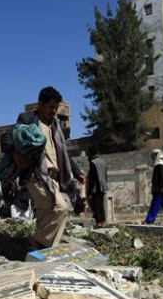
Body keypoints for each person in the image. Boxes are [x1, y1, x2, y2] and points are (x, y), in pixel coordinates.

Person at [12, 87, 83, 249]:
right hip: (35, 174)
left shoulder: (55, 126)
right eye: (51, 107)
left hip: (53, 177)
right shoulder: (28, 120)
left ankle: (44, 247)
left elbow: (63, 153)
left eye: (56, 107)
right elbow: (9, 137)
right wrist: (16, 155)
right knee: (61, 208)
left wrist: (77, 172)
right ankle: (38, 242)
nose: (54, 111)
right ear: (40, 105)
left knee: (47, 212)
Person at [86, 147, 108, 227]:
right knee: (101, 205)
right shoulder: (103, 162)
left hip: (95, 188)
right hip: (103, 187)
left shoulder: (93, 163)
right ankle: (102, 222)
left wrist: (89, 191)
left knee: (96, 206)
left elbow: (93, 178)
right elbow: (105, 176)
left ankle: (98, 223)